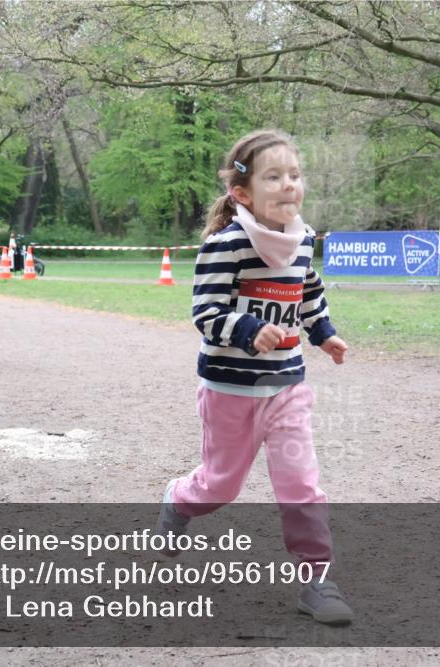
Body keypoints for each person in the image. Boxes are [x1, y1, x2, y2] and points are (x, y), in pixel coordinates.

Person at [155, 130, 354, 625]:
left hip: (286, 388)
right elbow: (205, 312)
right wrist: (248, 329)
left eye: (295, 175)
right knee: (219, 488)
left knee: (301, 485)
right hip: (229, 390)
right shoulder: (228, 246)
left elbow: (309, 293)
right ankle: (179, 501)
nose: (289, 185)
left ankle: (315, 579)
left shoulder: (304, 239)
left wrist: (324, 332)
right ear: (242, 194)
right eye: (274, 176)